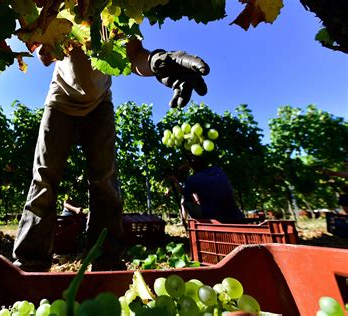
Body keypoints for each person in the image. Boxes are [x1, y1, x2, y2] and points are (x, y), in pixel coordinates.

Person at [12, 37, 210, 271]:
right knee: (44, 178)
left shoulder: (117, 11)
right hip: (60, 101)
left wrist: (157, 61)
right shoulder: (63, 6)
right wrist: (46, 45)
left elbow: (135, 56)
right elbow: (45, 57)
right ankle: (30, 263)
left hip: (99, 105)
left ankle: (106, 261)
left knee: (105, 182)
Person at [169, 155, 244, 223]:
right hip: (235, 215)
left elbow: (184, 194)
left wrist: (176, 181)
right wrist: (190, 164)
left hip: (214, 217)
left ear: (191, 166)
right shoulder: (218, 170)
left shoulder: (192, 179)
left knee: (185, 202)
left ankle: (203, 223)